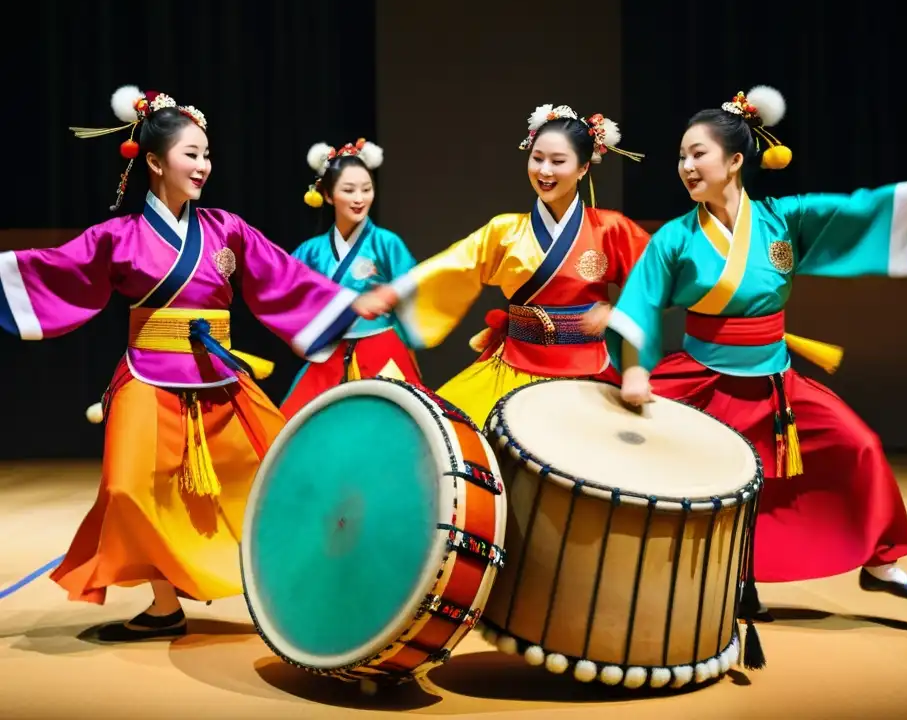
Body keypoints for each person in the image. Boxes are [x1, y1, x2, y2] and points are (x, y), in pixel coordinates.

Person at [601, 85, 907, 611]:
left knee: (858, 444)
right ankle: (719, 582)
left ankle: (881, 559)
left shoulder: (782, 220)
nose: (685, 165)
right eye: (681, 156)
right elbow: (639, 304)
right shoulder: (675, 239)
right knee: (660, 468)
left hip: (775, 382)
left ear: (734, 160)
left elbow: (866, 209)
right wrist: (635, 372)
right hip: (704, 378)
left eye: (697, 153)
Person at [0, 85, 374, 641]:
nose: (203, 165)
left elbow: (282, 278)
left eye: (206, 154)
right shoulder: (119, 236)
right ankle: (164, 603)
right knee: (129, 489)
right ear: (154, 161)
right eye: (190, 154)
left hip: (219, 378)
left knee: (286, 476)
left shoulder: (226, 230)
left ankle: (303, 586)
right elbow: (59, 269)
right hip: (148, 375)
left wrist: (346, 303)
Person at [355, 104, 651, 427]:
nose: (545, 171)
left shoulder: (610, 229)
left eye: (558, 161)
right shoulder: (505, 231)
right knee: (447, 435)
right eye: (537, 158)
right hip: (514, 365)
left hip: (588, 369)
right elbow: (456, 264)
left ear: (582, 168)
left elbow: (656, 280)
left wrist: (619, 313)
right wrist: (394, 293)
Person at [279, 138, 423, 419]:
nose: (359, 198)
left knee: (397, 424)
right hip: (330, 352)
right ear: (328, 195)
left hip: (381, 349)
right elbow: (284, 288)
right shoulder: (311, 251)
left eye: (366, 189)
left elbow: (415, 286)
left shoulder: (385, 243)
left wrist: (391, 296)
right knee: (294, 425)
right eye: (349, 190)